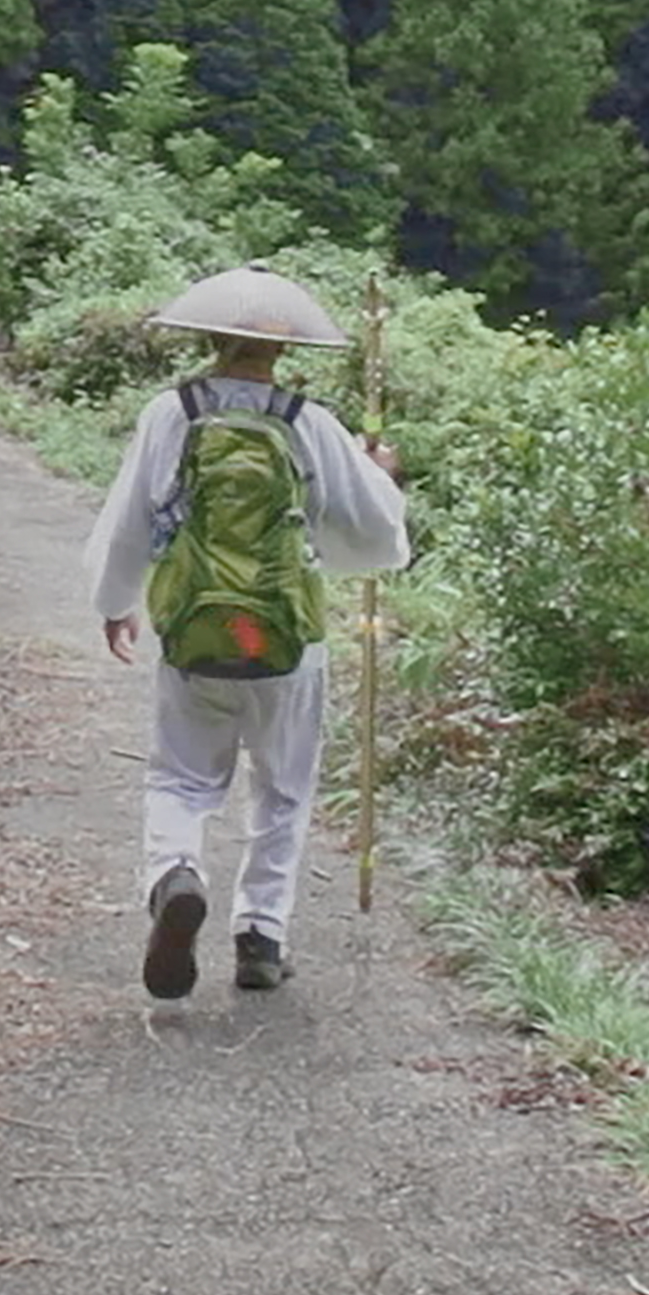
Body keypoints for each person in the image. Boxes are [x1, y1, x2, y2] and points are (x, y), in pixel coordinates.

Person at [81, 263, 409, 998]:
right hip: (287, 642)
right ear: (283, 350)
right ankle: (261, 936)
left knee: (181, 775)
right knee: (284, 789)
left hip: (195, 633)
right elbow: (375, 537)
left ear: (208, 336)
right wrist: (381, 472)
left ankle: (175, 875)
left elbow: (132, 517)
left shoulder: (172, 414)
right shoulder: (307, 423)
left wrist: (115, 600)